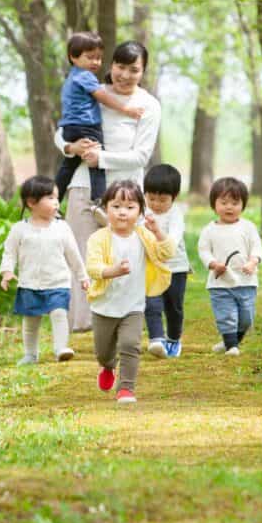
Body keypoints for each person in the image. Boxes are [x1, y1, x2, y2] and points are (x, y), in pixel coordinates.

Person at [54, 41, 161, 334]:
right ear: (110, 65)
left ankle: (122, 324)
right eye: (120, 67)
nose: (125, 75)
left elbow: (142, 155)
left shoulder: (148, 105)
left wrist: (101, 157)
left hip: (126, 193)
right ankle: (83, 324)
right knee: (82, 255)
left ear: (143, 71)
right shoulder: (93, 91)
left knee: (124, 257)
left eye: (133, 69)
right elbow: (61, 132)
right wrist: (70, 147)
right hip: (83, 186)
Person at [85, 180, 175, 404]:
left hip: (133, 306)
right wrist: (112, 271)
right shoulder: (98, 238)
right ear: (106, 209)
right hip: (104, 306)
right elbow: (92, 267)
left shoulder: (144, 236)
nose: (122, 212)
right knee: (103, 351)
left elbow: (167, 252)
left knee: (130, 345)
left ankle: (126, 388)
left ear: (141, 212)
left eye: (130, 207)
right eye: (116, 206)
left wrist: (158, 231)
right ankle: (107, 366)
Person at [0, 175, 89, 366]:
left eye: (57, 198)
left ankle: (60, 348)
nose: (56, 203)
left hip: (58, 282)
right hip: (29, 284)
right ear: (32, 202)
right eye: (50, 198)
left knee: (59, 313)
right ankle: (30, 354)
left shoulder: (62, 228)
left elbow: (74, 255)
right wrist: (7, 272)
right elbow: (9, 253)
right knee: (31, 322)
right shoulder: (19, 230)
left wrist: (82, 277)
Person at [54, 32, 144, 204]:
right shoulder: (86, 76)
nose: (95, 62)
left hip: (70, 127)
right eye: (90, 57)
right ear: (73, 57)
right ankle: (99, 200)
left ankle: (54, 198)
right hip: (86, 126)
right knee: (96, 162)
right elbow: (103, 97)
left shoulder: (72, 76)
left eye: (99, 58)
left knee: (67, 166)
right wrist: (126, 109)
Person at [197, 177, 262, 356]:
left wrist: (252, 262)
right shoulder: (209, 230)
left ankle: (229, 343)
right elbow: (203, 251)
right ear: (214, 204)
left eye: (235, 203)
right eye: (224, 202)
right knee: (226, 316)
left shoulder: (248, 227)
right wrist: (213, 264)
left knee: (246, 319)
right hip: (220, 283)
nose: (229, 207)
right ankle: (232, 346)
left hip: (246, 281)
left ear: (243, 204)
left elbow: (256, 247)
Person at [142, 164, 189, 359]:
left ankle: (173, 338)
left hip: (175, 268)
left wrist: (156, 230)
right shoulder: (142, 211)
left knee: (174, 306)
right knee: (151, 303)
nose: (156, 204)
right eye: (151, 198)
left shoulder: (175, 215)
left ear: (174, 196)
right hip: (151, 268)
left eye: (162, 200)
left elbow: (171, 244)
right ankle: (156, 339)